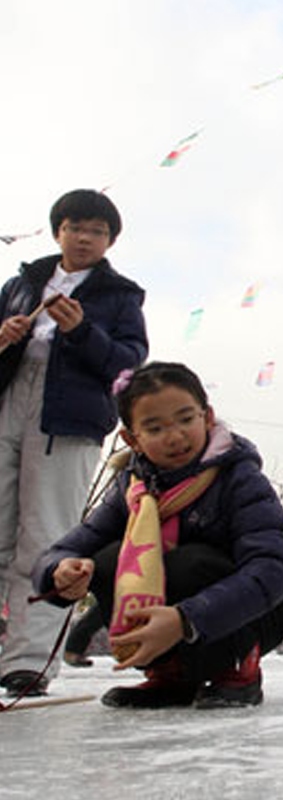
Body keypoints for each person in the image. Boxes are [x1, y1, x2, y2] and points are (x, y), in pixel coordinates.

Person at [32, 362, 283, 708]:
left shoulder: (238, 478)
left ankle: (239, 667)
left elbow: (272, 570)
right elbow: (64, 549)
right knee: (105, 561)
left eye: (185, 419)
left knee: (189, 563)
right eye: (155, 427)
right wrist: (60, 571)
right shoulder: (132, 488)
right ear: (132, 439)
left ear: (207, 417)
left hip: (267, 603)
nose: (176, 436)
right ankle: (171, 673)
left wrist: (186, 619)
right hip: (187, 609)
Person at [0, 189, 148, 697]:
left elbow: (129, 365)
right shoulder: (22, 284)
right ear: (57, 229)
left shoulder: (119, 295)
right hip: (8, 401)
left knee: (45, 538)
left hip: (68, 415)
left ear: (109, 241)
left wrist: (84, 331)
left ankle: (28, 661)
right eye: (75, 227)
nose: (84, 238)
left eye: (97, 231)